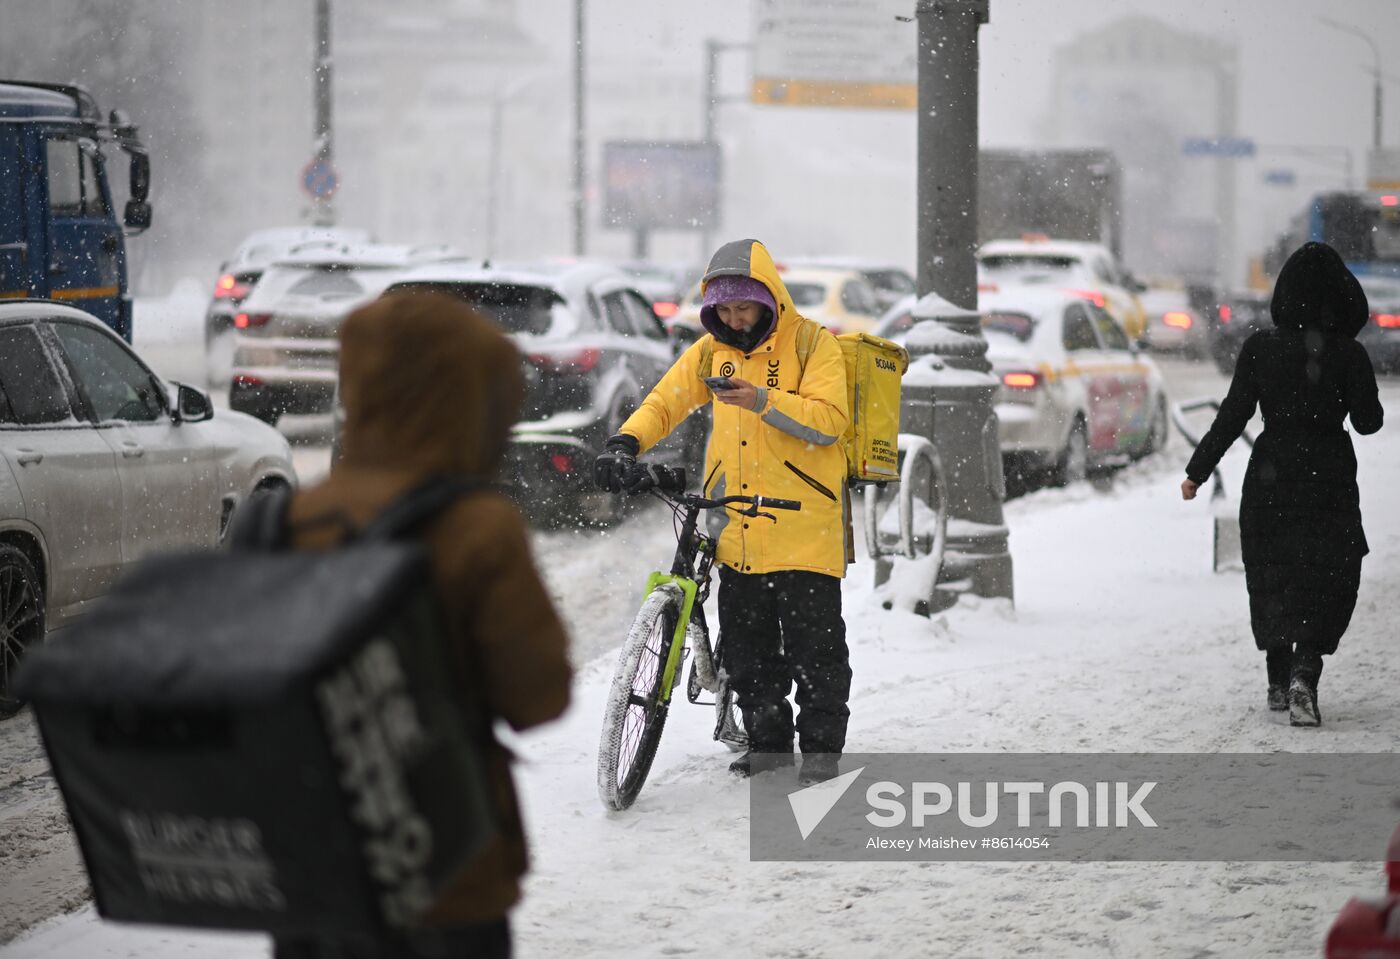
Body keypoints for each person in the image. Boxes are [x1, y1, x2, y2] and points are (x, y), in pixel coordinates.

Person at [276, 291, 572, 958]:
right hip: (447, 857)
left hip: (314, 859)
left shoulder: (293, 518)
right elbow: (539, 697)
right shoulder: (475, 526)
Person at [593, 238, 852, 785]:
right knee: (749, 652)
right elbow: (666, 400)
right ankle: (769, 747)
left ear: (768, 299)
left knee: (816, 651)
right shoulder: (712, 351)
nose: (734, 320)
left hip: (805, 522)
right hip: (738, 522)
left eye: (744, 307)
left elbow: (829, 422)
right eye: (724, 310)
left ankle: (823, 752)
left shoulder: (812, 346)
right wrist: (626, 442)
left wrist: (761, 399)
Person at [1182, 242, 1382, 727]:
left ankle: (1276, 678)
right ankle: (1304, 673)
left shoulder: (1260, 347)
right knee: (1328, 573)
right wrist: (1350, 376)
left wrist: (1197, 470)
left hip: (1271, 474)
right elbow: (1369, 422)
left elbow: (1233, 415)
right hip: (1329, 478)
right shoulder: (1349, 353)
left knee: (1272, 570)